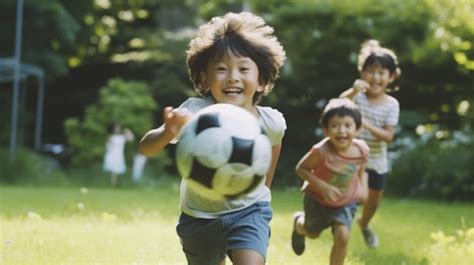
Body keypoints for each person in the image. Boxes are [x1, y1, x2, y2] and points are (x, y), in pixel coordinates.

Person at [139, 12, 286, 265]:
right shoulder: (196, 115)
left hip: (249, 212)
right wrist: (167, 132)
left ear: (260, 79)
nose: (232, 76)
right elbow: (145, 149)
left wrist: (262, 191)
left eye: (243, 68)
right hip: (199, 217)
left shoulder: (270, 122)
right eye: (221, 69)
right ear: (205, 78)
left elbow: (273, 146)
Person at [291, 98, 369, 265]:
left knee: (342, 236)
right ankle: (299, 224)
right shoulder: (321, 151)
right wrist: (322, 186)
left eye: (348, 125)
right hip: (317, 200)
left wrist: (362, 188)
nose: (341, 131)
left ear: (358, 129)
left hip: (345, 202)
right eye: (335, 125)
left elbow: (361, 169)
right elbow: (300, 169)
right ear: (326, 130)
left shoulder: (362, 149)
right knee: (312, 233)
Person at [339, 39, 401, 248]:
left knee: (373, 203)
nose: (376, 77)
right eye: (371, 72)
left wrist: (364, 124)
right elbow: (339, 103)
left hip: (377, 159)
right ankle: (341, 225)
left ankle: (364, 224)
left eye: (382, 73)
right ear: (362, 73)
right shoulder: (359, 97)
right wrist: (354, 91)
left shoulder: (392, 104)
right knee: (362, 197)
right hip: (354, 157)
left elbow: (388, 136)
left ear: (391, 77)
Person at [103, 122, 135, 186]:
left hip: (118, 156)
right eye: (116, 128)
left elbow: (131, 139)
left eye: (118, 128)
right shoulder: (110, 137)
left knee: (117, 171)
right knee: (112, 171)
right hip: (111, 155)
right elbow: (107, 148)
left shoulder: (122, 137)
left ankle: (114, 184)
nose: (117, 129)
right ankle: (111, 184)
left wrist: (128, 131)